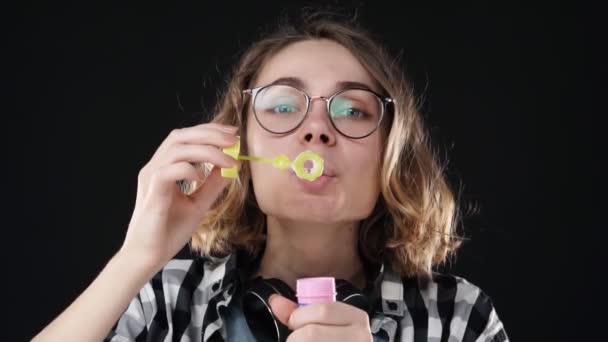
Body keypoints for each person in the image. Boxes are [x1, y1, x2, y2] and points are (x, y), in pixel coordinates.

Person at [32, 11, 508, 342]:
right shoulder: (170, 300)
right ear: (239, 144)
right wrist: (136, 258)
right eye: (282, 105)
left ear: (391, 153)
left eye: (353, 110)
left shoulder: (455, 318)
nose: (317, 130)